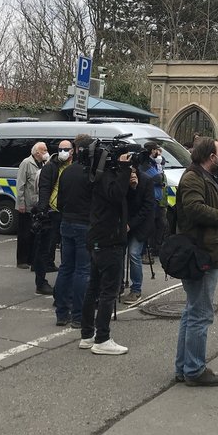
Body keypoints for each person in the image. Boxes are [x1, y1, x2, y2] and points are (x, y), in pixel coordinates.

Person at [174, 138, 218, 386]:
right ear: (210, 157)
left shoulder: (204, 176)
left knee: (193, 311)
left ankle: (185, 367)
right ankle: (194, 369)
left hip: (206, 249)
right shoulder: (193, 177)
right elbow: (194, 209)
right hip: (200, 252)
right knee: (200, 313)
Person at [78, 145, 132, 356]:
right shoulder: (106, 177)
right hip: (109, 240)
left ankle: (87, 334)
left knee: (93, 288)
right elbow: (116, 195)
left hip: (97, 238)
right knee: (108, 291)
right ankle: (102, 338)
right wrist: (125, 169)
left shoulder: (93, 176)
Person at [53, 134, 93, 327]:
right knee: (82, 271)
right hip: (84, 224)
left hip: (66, 222)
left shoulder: (67, 172)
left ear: (76, 150)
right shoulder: (90, 173)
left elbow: (59, 202)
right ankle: (78, 316)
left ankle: (61, 313)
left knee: (66, 268)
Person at [36, 141, 74, 295]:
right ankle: (40, 281)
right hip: (51, 212)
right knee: (45, 248)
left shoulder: (74, 167)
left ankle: (64, 282)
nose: (63, 152)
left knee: (67, 249)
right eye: (60, 149)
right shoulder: (50, 167)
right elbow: (44, 189)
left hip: (68, 212)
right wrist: (42, 211)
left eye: (66, 149)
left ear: (73, 151)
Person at [122, 159, 156, 306]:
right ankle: (118, 285)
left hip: (140, 224)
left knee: (134, 254)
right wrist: (129, 188)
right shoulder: (121, 180)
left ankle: (136, 289)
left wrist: (135, 188)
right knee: (118, 253)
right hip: (124, 222)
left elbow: (147, 206)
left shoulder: (146, 181)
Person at [15, 142, 49, 270]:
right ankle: (22, 260)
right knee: (24, 234)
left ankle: (31, 259)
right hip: (27, 204)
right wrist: (21, 203)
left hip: (38, 205)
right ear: (36, 153)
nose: (46, 152)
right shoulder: (26, 163)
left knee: (35, 234)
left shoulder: (44, 163)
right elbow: (20, 185)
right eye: (44, 150)